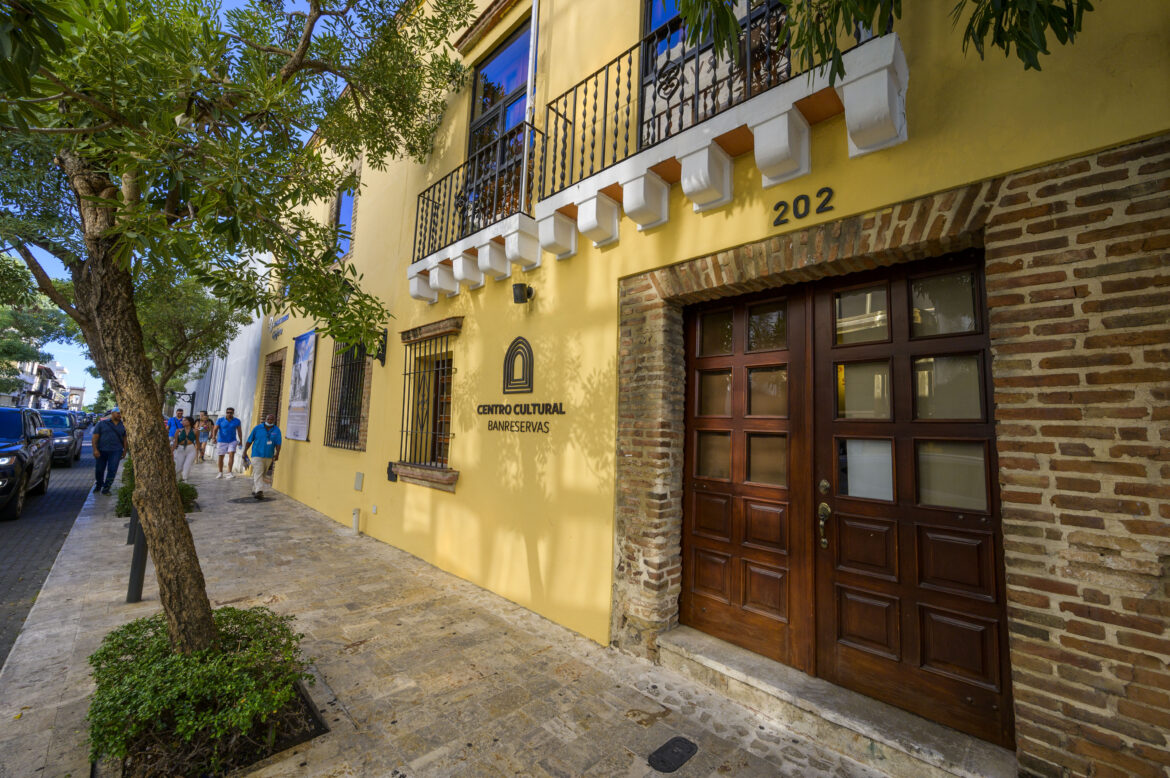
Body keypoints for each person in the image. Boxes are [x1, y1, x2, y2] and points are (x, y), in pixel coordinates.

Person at [243, 413, 282, 499]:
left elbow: (278, 443)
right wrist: (245, 451)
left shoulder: (277, 430)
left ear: (274, 421)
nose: (270, 421)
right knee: (259, 471)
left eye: (272, 419)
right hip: (257, 454)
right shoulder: (257, 428)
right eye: (268, 419)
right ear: (265, 419)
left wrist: (277, 453)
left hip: (269, 455)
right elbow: (250, 440)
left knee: (262, 474)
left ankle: (255, 489)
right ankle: (259, 491)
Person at [91, 407, 127, 495]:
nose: (120, 415)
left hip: (116, 451)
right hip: (101, 450)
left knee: (112, 470)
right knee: (99, 470)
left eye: (121, 413)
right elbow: (95, 438)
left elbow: (125, 439)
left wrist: (125, 451)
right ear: (112, 413)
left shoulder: (124, 425)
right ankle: (99, 484)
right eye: (118, 413)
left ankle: (106, 488)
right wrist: (95, 450)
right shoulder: (102, 424)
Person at [214, 407, 243, 479]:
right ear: (226, 413)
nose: (229, 414)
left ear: (233, 413)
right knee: (221, 456)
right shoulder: (220, 420)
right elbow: (215, 429)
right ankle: (220, 472)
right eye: (228, 412)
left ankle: (229, 472)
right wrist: (213, 437)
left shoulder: (237, 421)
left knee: (231, 455)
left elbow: (239, 431)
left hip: (232, 440)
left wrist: (241, 440)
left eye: (231, 413)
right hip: (221, 441)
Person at [171, 415, 198, 482]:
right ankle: (177, 480)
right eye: (182, 420)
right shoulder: (178, 431)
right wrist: (171, 451)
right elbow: (175, 442)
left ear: (190, 422)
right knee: (178, 467)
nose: (183, 422)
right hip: (180, 449)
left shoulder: (195, 431)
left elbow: (197, 442)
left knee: (187, 466)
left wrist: (198, 452)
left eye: (185, 420)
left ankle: (185, 480)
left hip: (191, 449)